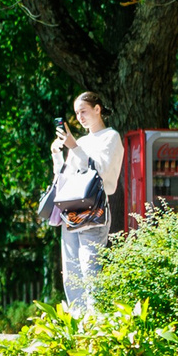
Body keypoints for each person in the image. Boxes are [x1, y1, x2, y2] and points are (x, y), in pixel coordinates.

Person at [49, 91, 125, 316]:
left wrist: (73, 146)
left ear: (97, 109)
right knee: (71, 269)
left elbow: (100, 172)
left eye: (83, 111)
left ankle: (95, 325)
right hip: (72, 209)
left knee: (90, 268)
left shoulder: (111, 137)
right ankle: (78, 323)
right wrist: (57, 155)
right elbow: (66, 177)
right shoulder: (81, 141)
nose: (79, 117)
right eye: (76, 113)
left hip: (95, 210)